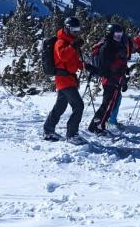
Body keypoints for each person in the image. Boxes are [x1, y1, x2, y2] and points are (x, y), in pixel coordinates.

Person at [43, 16, 86, 144]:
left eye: (77, 29)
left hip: (68, 79)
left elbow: (73, 61)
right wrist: (73, 46)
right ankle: (72, 134)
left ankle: (48, 130)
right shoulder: (61, 42)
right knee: (78, 105)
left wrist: (85, 66)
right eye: (73, 29)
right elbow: (63, 56)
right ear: (67, 28)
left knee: (60, 106)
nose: (76, 32)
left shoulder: (70, 42)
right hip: (64, 79)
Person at [88, 23, 132, 135]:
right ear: (110, 34)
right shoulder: (107, 47)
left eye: (120, 34)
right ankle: (96, 126)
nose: (119, 37)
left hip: (117, 79)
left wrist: (124, 74)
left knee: (111, 104)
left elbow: (120, 62)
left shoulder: (117, 45)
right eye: (116, 34)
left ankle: (99, 124)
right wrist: (114, 78)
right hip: (110, 80)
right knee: (107, 104)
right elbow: (104, 68)